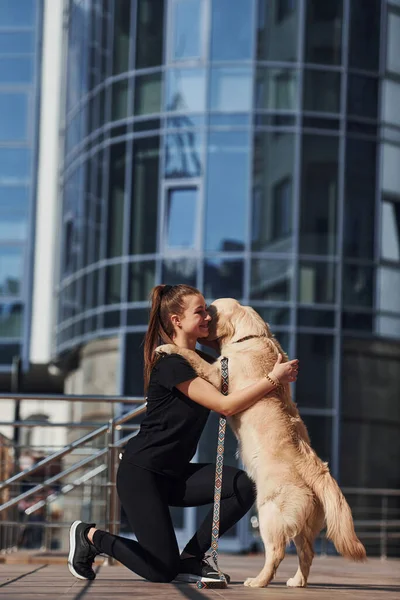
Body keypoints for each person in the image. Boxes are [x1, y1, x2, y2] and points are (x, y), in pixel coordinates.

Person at [68, 284, 299, 584]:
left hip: (175, 475)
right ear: (177, 320)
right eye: (200, 312)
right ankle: (91, 537)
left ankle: (192, 557)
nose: (208, 317)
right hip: (143, 475)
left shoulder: (200, 358)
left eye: (208, 311)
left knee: (243, 487)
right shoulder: (172, 364)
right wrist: (272, 379)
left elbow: (232, 361)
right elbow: (225, 406)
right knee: (161, 570)